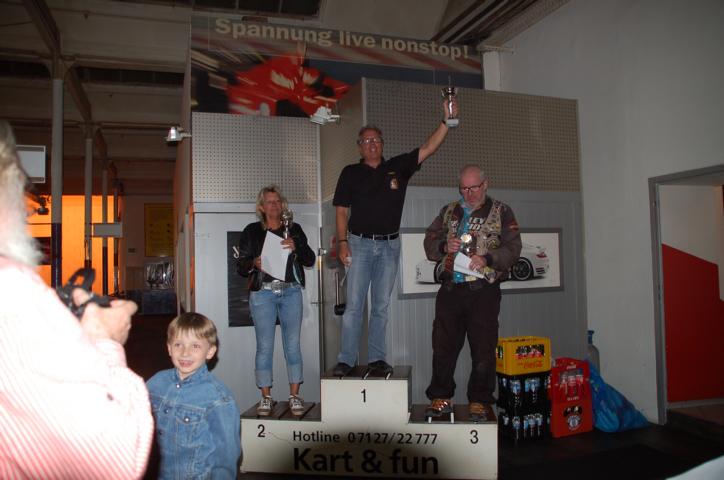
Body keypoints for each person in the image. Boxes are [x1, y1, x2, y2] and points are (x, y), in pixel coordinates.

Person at [0, 120, 153, 478]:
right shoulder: (12, 286)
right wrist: (105, 339)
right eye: (17, 187)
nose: (27, 210)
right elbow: (115, 458)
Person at [332, 97, 459, 377]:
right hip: (359, 245)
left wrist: (447, 121)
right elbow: (341, 210)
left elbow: (428, 148)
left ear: (382, 144)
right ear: (359, 146)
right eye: (366, 141)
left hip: (389, 246)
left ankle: (377, 358)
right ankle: (346, 360)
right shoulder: (350, 173)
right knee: (354, 307)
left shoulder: (398, 168)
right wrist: (342, 243)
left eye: (376, 140)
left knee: (381, 306)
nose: (372, 144)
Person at [423, 164, 522, 421]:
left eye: (474, 188)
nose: (469, 193)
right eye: (464, 188)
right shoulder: (448, 212)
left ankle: (480, 400)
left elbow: (513, 249)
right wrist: (444, 245)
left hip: (483, 291)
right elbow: (429, 242)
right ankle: (441, 396)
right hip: (450, 290)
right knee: (443, 347)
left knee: (483, 348)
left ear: (485, 184)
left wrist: (487, 258)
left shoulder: (502, 211)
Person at [237, 185, 316, 416]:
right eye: (270, 202)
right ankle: (266, 398)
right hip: (263, 293)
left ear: (283, 204)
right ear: (261, 207)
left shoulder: (294, 229)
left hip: (291, 291)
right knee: (264, 346)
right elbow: (240, 266)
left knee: (293, 345)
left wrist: (297, 246)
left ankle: (295, 396)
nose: (274, 205)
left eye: (278, 201)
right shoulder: (251, 231)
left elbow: (310, 259)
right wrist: (254, 263)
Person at [146, 313, 241, 479]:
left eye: (195, 346)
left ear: (210, 351)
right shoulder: (155, 383)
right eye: (178, 345)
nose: (185, 353)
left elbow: (225, 456)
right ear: (169, 348)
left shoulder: (219, 399)